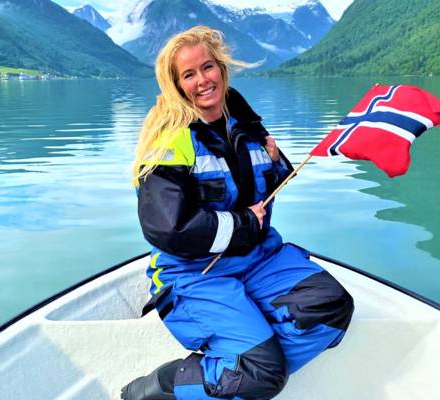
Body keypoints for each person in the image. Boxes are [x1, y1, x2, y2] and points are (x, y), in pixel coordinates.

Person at [122, 26, 354, 400]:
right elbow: (169, 229)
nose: (203, 80)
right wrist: (244, 222)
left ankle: (244, 365)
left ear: (222, 69)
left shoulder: (244, 123)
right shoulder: (169, 141)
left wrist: (279, 162)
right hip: (196, 275)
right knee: (264, 372)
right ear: (176, 85)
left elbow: (261, 185)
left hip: (259, 259)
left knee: (331, 309)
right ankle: (161, 386)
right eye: (189, 74)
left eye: (208, 67)